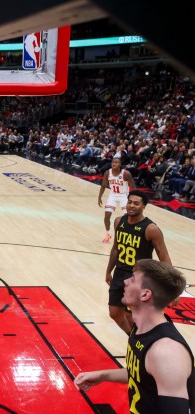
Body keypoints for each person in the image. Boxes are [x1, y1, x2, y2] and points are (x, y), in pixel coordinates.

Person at [75, 259, 194, 414]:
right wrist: (102, 375)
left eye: (132, 279)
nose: (125, 281)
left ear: (145, 294)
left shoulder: (165, 352)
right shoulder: (140, 328)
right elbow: (142, 374)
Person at [105, 190, 171, 334]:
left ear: (143, 206)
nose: (132, 206)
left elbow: (164, 258)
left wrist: (172, 287)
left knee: (132, 316)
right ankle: (133, 338)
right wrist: (108, 271)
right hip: (119, 273)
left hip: (139, 278)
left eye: (136, 203)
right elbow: (116, 249)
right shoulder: (119, 221)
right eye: (130, 202)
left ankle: (141, 343)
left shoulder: (151, 229)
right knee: (114, 313)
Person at [98, 157, 135, 243]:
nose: (114, 164)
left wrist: (133, 198)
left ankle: (127, 235)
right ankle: (108, 234)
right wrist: (99, 197)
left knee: (128, 217)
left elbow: (133, 186)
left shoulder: (126, 174)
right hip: (113, 195)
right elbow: (103, 185)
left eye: (116, 162)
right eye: (113, 162)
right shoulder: (108, 173)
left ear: (120, 165)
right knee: (107, 216)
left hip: (124, 196)